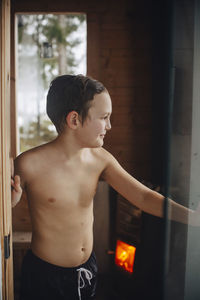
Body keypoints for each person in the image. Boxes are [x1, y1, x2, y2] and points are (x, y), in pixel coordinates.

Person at [11, 74, 200, 300]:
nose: (109, 126)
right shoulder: (28, 164)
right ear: (74, 120)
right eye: (104, 117)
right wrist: (8, 203)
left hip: (88, 270)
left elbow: (144, 197)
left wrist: (194, 218)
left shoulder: (101, 159)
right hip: (45, 275)